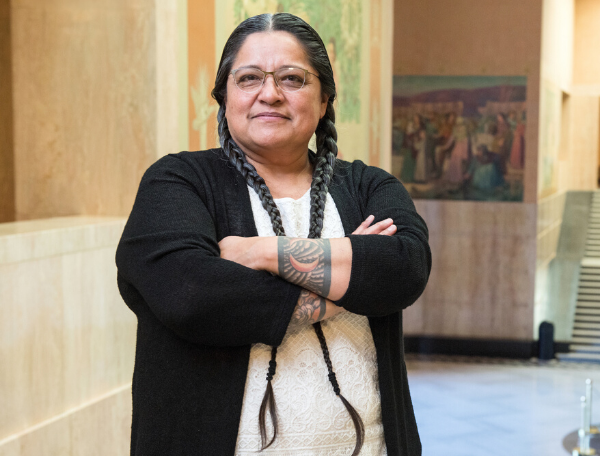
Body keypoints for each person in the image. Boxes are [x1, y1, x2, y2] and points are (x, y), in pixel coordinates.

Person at [116, 13, 430, 456]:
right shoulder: (178, 182)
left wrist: (262, 252)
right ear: (224, 97)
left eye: (292, 79)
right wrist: (352, 277)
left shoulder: (366, 186)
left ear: (324, 101)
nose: (269, 94)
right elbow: (191, 296)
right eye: (248, 79)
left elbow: (405, 266)